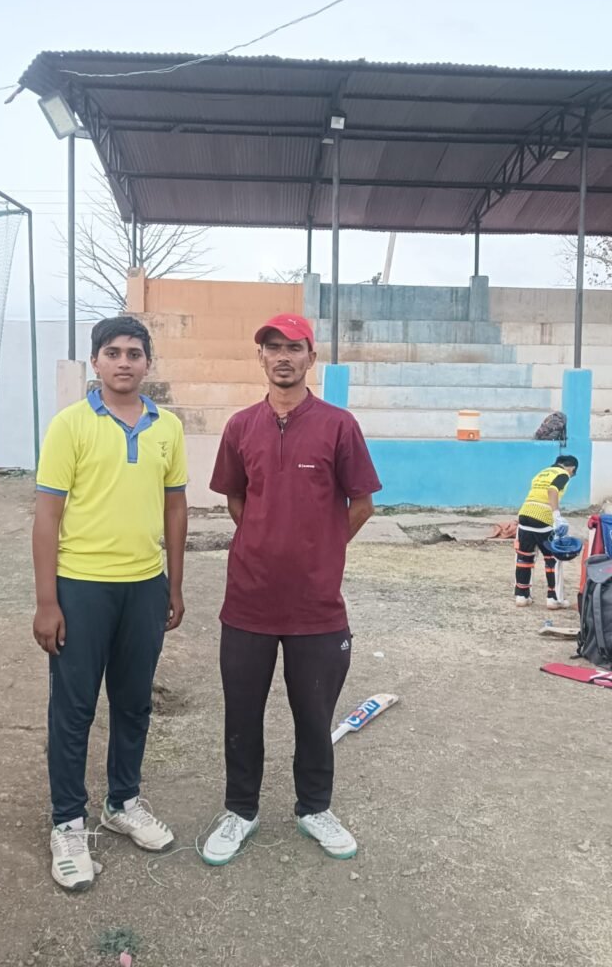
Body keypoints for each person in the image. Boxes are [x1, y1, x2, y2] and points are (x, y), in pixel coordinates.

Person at [202, 313, 382, 866]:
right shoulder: (240, 427)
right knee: (242, 714)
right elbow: (236, 499)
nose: (283, 357)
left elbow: (362, 504)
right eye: (273, 347)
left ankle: (314, 808)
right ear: (261, 357)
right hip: (248, 600)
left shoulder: (338, 425)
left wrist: (320, 548)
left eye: (294, 348)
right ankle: (240, 811)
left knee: (313, 714)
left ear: (311, 357)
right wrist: (265, 540)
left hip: (316, 606)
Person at [32, 315, 188, 890]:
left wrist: (173, 585)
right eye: (113, 352)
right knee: (74, 710)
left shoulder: (166, 427)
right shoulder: (70, 425)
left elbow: (175, 505)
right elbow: (46, 515)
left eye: (134, 353)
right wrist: (47, 601)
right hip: (81, 587)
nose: (124, 362)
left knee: (133, 703)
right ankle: (67, 822)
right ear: (95, 361)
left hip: (144, 586)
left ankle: (122, 802)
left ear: (148, 363)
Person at [515, 454, 579, 609]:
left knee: (524, 557)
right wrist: (557, 516)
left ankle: (522, 596)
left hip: (524, 515)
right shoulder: (562, 474)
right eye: (573, 473)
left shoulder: (541, 473)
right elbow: (552, 490)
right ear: (572, 468)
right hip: (543, 517)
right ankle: (554, 598)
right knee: (553, 559)